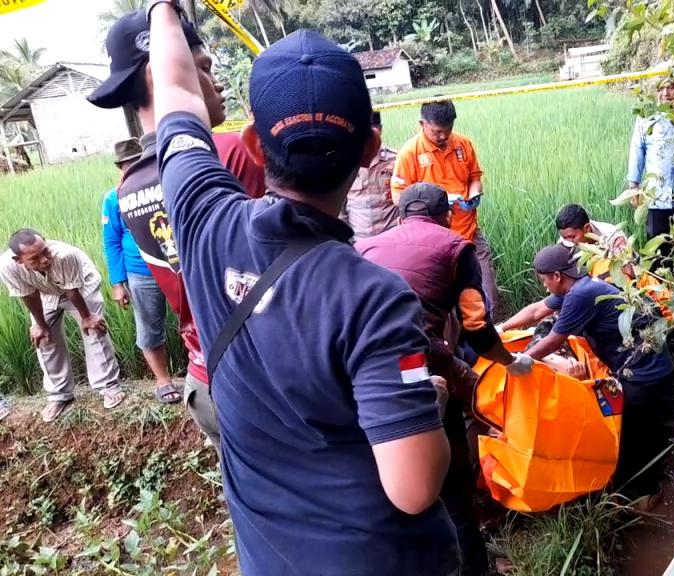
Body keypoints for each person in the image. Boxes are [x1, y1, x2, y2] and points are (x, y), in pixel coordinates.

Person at [147, 4, 458, 573]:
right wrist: (428, 400)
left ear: (252, 146)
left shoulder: (202, 220)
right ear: (370, 152)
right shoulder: (377, 299)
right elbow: (413, 486)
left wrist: (162, 11)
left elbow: (174, 93)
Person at [89, 11, 265, 448]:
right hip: (263, 377)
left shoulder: (128, 186)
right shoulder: (228, 153)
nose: (217, 80)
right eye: (203, 67)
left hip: (204, 375)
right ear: (164, 71)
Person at [357, 183, 532, 576]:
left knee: (388, 478)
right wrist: (509, 361)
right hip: (421, 369)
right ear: (447, 216)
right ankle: (473, 568)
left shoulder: (365, 247)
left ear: (400, 216)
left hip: (365, 378)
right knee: (452, 482)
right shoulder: (456, 247)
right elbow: (477, 327)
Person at [500, 244, 674, 502]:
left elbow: (553, 340)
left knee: (634, 439)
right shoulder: (579, 287)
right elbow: (537, 310)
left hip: (643, 372)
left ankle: (645, 495)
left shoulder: (581, 295)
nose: (545, 286)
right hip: (643, 365)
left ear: (557, 276)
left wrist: (521, 359)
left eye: (545, 280)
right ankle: (651, 480)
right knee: (648, 429)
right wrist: (501, 327)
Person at [0, 230, 125, 422]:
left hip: (82, 287)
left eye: (45, 251)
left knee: (93, 329)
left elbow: (73, 292)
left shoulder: (65, 255)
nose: (44, 260)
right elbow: (29, 295)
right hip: (45, 293)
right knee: (43, 338)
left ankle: (108, 386)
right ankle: (59, 395)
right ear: (19, 260)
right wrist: (40, 325)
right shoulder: (8, 266)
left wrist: (86, 317)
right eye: (34, 258)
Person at [391, 100, 499, 309]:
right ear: (421, 124)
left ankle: (490, 333)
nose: (443, 137)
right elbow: (399, 197)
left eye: (448, 131)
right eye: (437, 132)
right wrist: (437, 202)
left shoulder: (463, 144)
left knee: (487, 296)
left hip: (468, 232)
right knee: (445, 300)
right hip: (432, 239)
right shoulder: (410, 153)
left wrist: (474, 193)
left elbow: (474, 176)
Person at [102, 138, 180, 404]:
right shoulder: (114, 198)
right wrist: (117, 283)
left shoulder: (165, 185)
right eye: (127, 165)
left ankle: (202, 373)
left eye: (137, 163)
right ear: (120, 168)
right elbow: (111, 241)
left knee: (197, 319)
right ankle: (162, 379)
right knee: (149, 328)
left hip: (176, 266)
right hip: (141, 273)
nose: (132, 169)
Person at [626, 76, 674, 283]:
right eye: (661, 88)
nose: (666, 93)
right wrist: (633, 184)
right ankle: (661, 293)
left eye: (671, 87)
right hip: (657, 194)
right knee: (658, 246)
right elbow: (637, 149)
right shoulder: (647, 115)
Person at [346, 111, 399, 240]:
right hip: (359, 240)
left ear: (380, 130)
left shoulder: (395, 159)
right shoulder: (347, 162)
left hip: (391, 237)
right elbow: (340, 205)